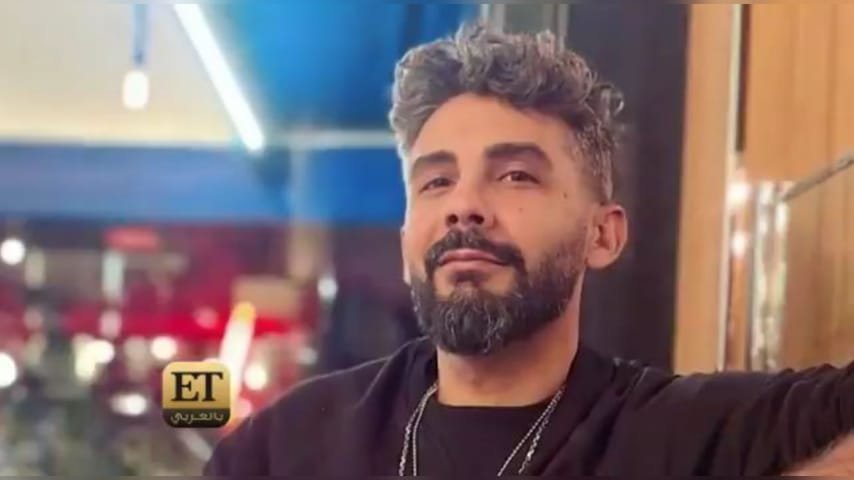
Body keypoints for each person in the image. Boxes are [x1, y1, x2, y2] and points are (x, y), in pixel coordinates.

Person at [203, 25, 854, 476]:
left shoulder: (682, 434)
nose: (464, 204)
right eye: (436, 181)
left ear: (603, 235)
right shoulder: (288, 448)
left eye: (515, 175)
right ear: (407, 242)